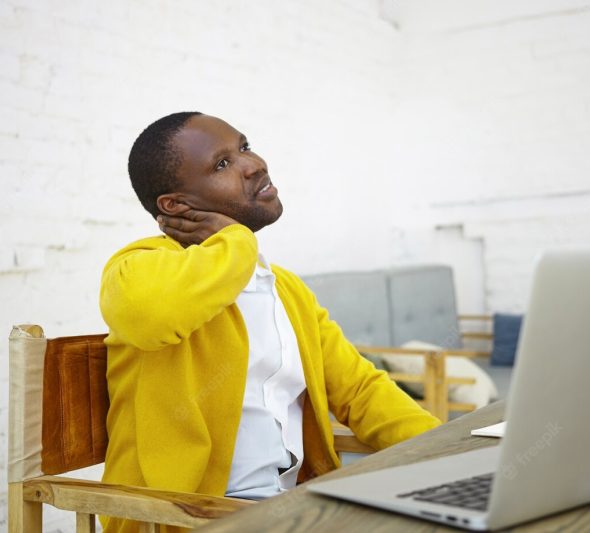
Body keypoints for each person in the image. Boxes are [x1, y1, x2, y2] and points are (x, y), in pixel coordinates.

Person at [99, 112, 440, 533]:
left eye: (244, 146)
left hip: (292, 510)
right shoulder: (137, 269)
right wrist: (239, 238)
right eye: (222, 164)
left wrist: (449, 450)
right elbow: (150, 317)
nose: (254, 163)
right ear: (175, 205)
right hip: (185, 520)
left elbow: (359, 390)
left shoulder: (285, 289)